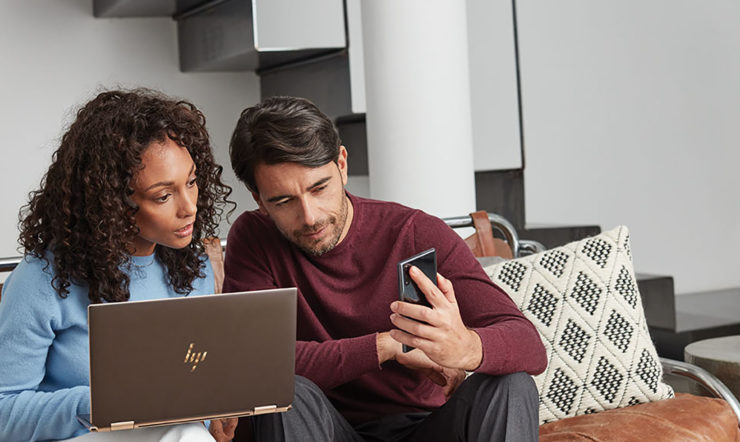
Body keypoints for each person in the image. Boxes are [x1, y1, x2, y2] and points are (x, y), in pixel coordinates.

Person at [224, 96, 548, 441]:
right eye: (284, 201)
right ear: (258, 199)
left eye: (320, 188)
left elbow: (528, 344)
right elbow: (257, 364)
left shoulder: (414, 232)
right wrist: (388, 345)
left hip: (425, 428)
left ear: (342, 164)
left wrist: (464, 347)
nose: (310, 216)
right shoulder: (254, 239)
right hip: (322, 429)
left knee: (511, 384)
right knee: (285, 392)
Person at [0, 89, 235, 442]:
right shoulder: (44, 278)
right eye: (163, 195)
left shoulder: (193, 268)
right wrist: (103, 404)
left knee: (184, 428)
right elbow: (4, 413)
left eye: (191, 181)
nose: (189, 207)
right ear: (112, 202)